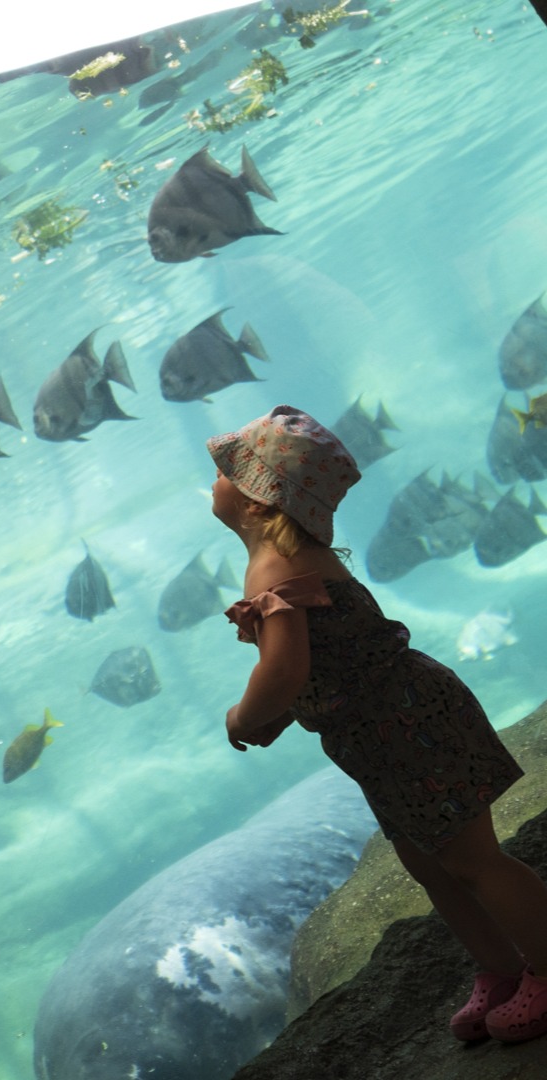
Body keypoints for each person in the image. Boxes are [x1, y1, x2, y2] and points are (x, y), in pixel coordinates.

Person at [207, 403, 547, 1044]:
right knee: (431, 864)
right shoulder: (288, 559)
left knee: (474, 859)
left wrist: (246, 715)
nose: (215, 478)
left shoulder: (275, 570)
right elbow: (321, 669)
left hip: (407, 726)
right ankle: (499, 969)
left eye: (228, 469)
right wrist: (288, 714)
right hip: (381, 738)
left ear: (256, 502)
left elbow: (283, 672)